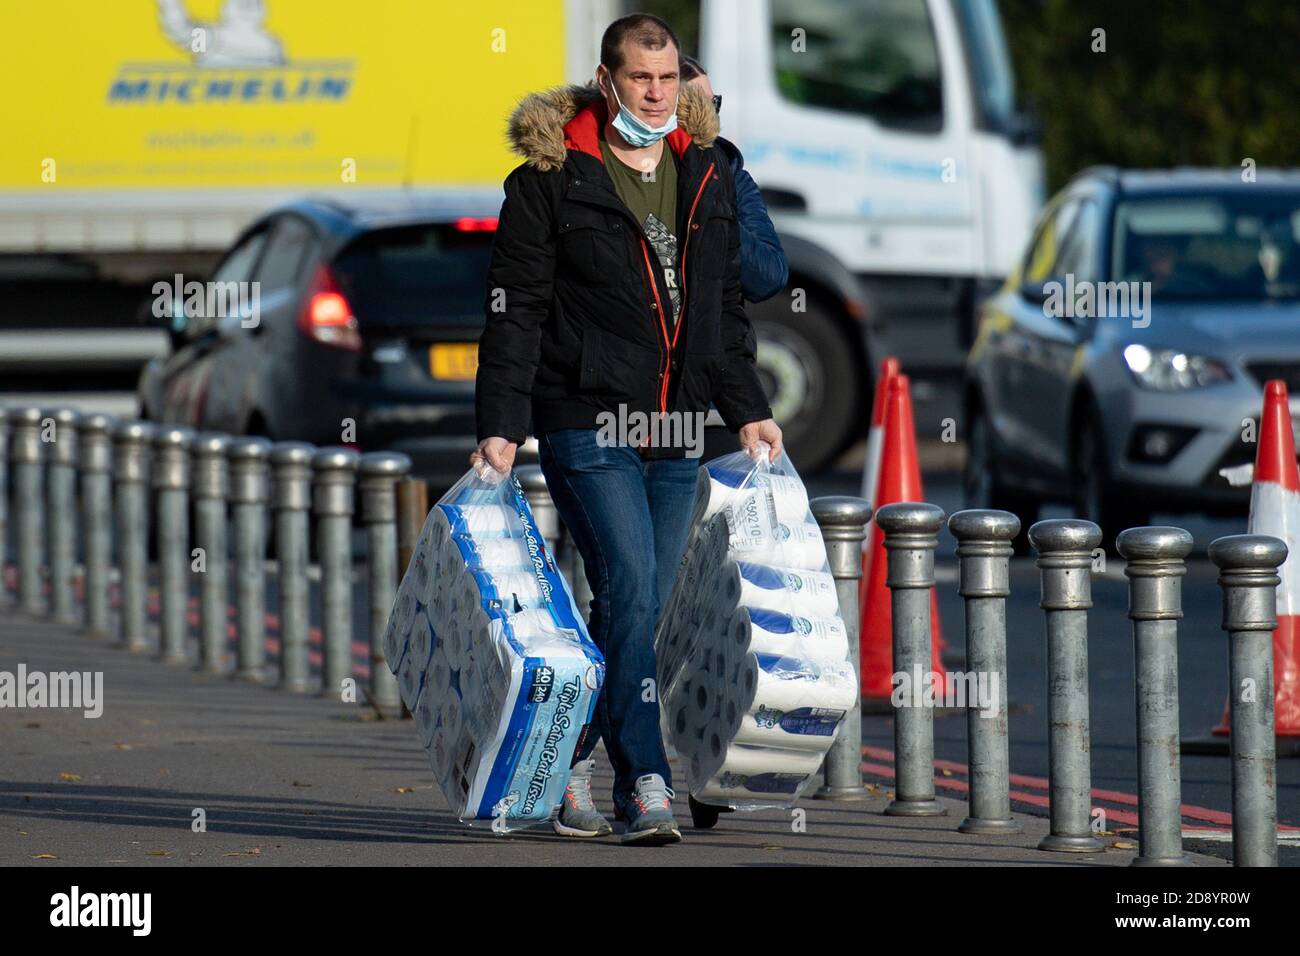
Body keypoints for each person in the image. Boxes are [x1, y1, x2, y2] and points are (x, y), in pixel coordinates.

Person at [472, 13, 781, 845]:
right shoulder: (549, 178)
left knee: (639, 607)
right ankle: (644, 783)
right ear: (607, 80)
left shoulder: (704, 172)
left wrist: (748, 407)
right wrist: (502, 424)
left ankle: (566, 757)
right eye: (641, 79)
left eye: (669, 78)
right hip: (586, 417)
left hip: (678, 424)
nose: (657, 93)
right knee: (632, 586)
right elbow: (516, 313)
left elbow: (721, 312)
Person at [679, 56, 789, 303]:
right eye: (696, 107)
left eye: (713, 103)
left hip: (720, 337)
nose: (709, 117)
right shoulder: (640, 172)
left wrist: (709, 207)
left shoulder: (731, 173)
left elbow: (769, 277)